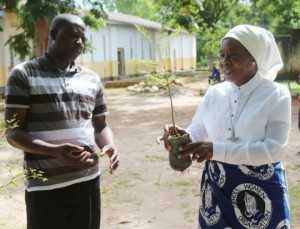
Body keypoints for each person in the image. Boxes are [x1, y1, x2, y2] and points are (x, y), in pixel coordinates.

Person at [163, 25, 291, 228]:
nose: (224, 61)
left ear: (254, 58)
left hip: (262, 193)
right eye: (222, 55)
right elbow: (198, 129)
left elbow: (274, 149)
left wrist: (215, 149)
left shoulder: (276, 95)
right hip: (216, 190)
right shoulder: (215, 93)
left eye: (233, 55)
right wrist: (182, 137)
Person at [5, 14, 119, 229]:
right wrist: (54, 151)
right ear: (53, 36)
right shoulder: (23, 75)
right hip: (45, 187)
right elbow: (13, 133)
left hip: (87, 182)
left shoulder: (91, 79)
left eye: (83, 37)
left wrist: (108, 145)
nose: (79, 42)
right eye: (72, 36)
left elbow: (100, 125)